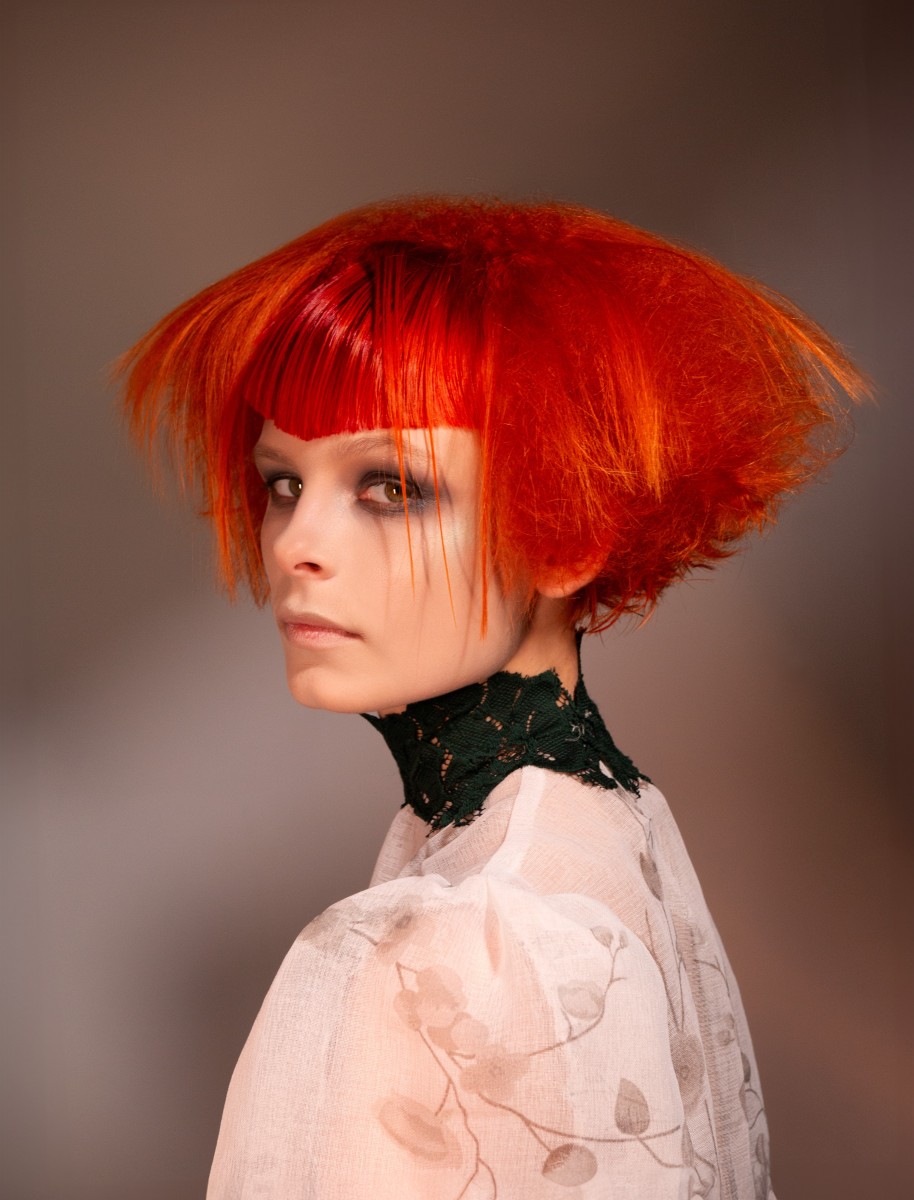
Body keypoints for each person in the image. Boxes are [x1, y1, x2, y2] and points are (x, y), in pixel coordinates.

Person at [120, 196, 863, 1199]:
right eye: (284, 482)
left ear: (568, 533)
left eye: (391, 487)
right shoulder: (615, 823)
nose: (297, 544)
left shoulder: (430, 953)